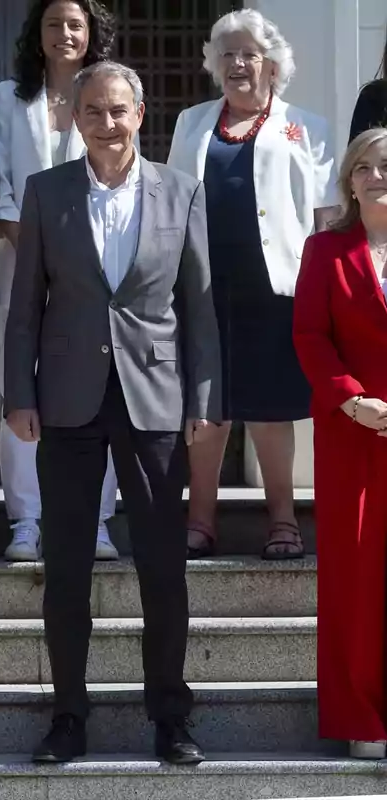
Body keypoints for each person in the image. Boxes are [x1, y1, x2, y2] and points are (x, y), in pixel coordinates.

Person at [4, 62, 221, 765]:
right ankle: (68, 715)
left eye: (118, 110)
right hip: (67, 399)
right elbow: (23, 308)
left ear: (140, 112)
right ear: (75, 117)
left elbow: (201, 308)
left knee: (163, 567)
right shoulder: (45, 194)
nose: (106, 123)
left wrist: (204, 400)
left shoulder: (182, 193)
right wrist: (19, 393)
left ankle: (171, 716)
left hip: (155, 399)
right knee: (66, 569)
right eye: (93, 111)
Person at [168, 9, 338, 560]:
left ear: (272, 63)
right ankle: (200, 519)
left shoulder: (306, 126)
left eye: (249, 53)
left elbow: (327, 217)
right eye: (227, 54)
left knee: (270, 408)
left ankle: (283, 520)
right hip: (204, 285)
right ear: (214, 64)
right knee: (206, 406)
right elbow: (171, 203)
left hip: (277, 288)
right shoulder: (192, 122)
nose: (238, 63)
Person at [0, 0, 120, 562]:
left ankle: (96, 521)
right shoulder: (8, 97)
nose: (64, 34)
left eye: (75, 25)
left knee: (101, 386)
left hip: (94, 270)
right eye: (53, 25)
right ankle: (26, 519)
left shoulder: (109, 94)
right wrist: (27, 237)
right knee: (22, 385)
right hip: (21, 260)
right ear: (36, 35)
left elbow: (120, 173)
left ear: (91, 34)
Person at [293, 127, 387, 760]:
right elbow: (310, 336)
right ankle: (363, 719)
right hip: (352, 430)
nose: (379, 177)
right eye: (368, 168)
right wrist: (351, 399)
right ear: (350, 181)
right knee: (356, 577)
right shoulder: (324, 251)